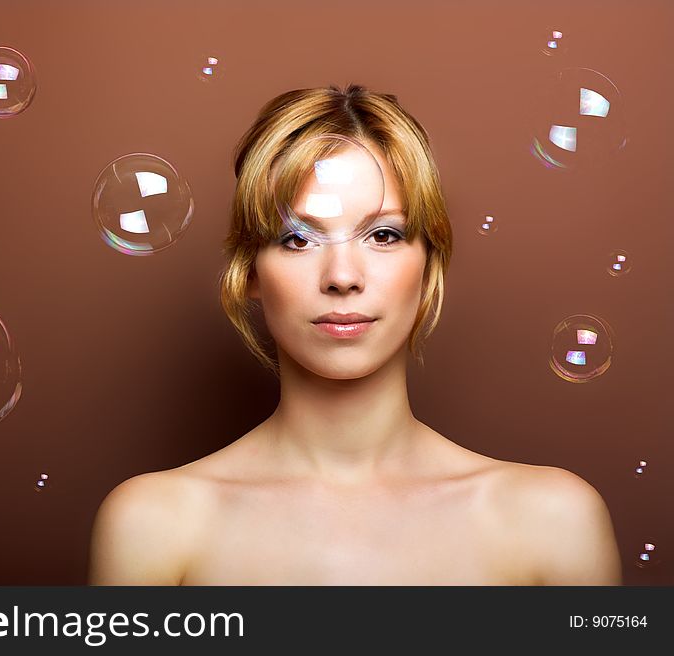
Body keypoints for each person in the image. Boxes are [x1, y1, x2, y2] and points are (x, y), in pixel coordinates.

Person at [88, 84, 622, 585]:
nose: (342, 276)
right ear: (249, 271)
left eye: (383, 234)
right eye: (297, 239)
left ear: (429, 265)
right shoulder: (155, 524)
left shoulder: (554, 521)